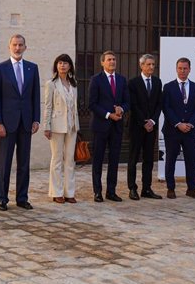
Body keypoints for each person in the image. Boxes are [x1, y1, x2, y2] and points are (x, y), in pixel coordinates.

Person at [0, 35, 41, 211]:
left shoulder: (32, 68)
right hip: (7, 123)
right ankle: (2, 198)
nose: (17, 48)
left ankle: (22, 197)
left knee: (24, 162)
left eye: (20, 45)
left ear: (25, 47)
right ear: (9, 46)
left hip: (26, 122)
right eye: (15, 45)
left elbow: (36, 96)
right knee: (5, 162)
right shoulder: (0, 69)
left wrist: (36, 119)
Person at [88, 50, 130, 202]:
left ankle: (111, 191)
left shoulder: (121, 80)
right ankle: (97, 191)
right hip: (101, 126)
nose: (112, 62)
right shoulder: (96, 80)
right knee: (98, 159)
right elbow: (92, 104)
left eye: (114, 59)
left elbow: (127, 101)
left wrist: (122, 109)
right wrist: (108, 114)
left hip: (117, 127)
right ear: (102, 62)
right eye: (109, 60)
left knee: (114, 159)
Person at [162, 57, 195, 199]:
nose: (182, 71)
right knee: (170, 159)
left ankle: (192, 189)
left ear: (189, 69)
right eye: (180, 68)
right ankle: (170, 188)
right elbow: (166, 108)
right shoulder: (168, 87)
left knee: (191, 160)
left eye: (185, 68)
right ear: (176, 69)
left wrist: (190, 124)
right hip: (172, 130)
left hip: (190, 131)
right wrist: (178, 124)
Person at [43, 54, 80, 204]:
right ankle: (56, 191)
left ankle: (69, 192)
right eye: (60, 63)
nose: (62, 66)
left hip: (72, 126)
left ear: (70, 66)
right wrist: (47, 126)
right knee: (57, 158)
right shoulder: (51, 84)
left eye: (65, 63)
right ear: (56, 66)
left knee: (70, 159)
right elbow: (48, 106)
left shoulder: (74, 83)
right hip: (57, 125)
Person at [126, 54, 163, 200]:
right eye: (148, 64)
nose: (151, 67)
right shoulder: (133, 83)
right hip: (136, 126)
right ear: (141, 66)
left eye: (153, 64)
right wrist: (144, 121)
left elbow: (159, 103)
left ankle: (146, 188)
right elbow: (133, 105)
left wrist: (152, 121)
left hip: (151, 128)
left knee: (148, 159)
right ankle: (132, 188)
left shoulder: (157, 82)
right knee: (133, 158)